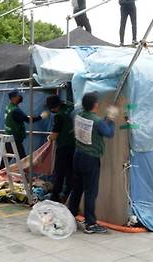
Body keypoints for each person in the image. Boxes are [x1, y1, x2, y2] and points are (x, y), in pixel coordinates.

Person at [68, 92, 117, 234]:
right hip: (90, 159)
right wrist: (111, 119)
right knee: (90, 192)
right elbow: (109, 133)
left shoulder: (77, 115)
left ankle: (71, 216)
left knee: (77, 189)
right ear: (95, 104)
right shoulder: (97, 121)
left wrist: (104, 120)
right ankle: (90, 224)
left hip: (77, 156)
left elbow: (76, 113)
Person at [46, 95, 75, 203]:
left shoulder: (59, 116)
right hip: (74, 146)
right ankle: (67, 195)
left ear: (53, 107)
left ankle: (55, 196)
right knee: (70, 172)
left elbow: (54, 136)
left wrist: (49, 137)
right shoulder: (69, 108)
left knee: (59, 173)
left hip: (63, 147)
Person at [4, 90, 47, 163]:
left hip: (9, 137)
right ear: (13, 98)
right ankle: (24, 174)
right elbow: (28, 120)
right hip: (15, 139)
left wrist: (25, 117)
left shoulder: (9, 107)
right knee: (22, 161)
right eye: (18, 96)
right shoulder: (15, 110)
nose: (20, 97)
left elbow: (16, 118)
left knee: (6, 160)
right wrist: (41, 117)